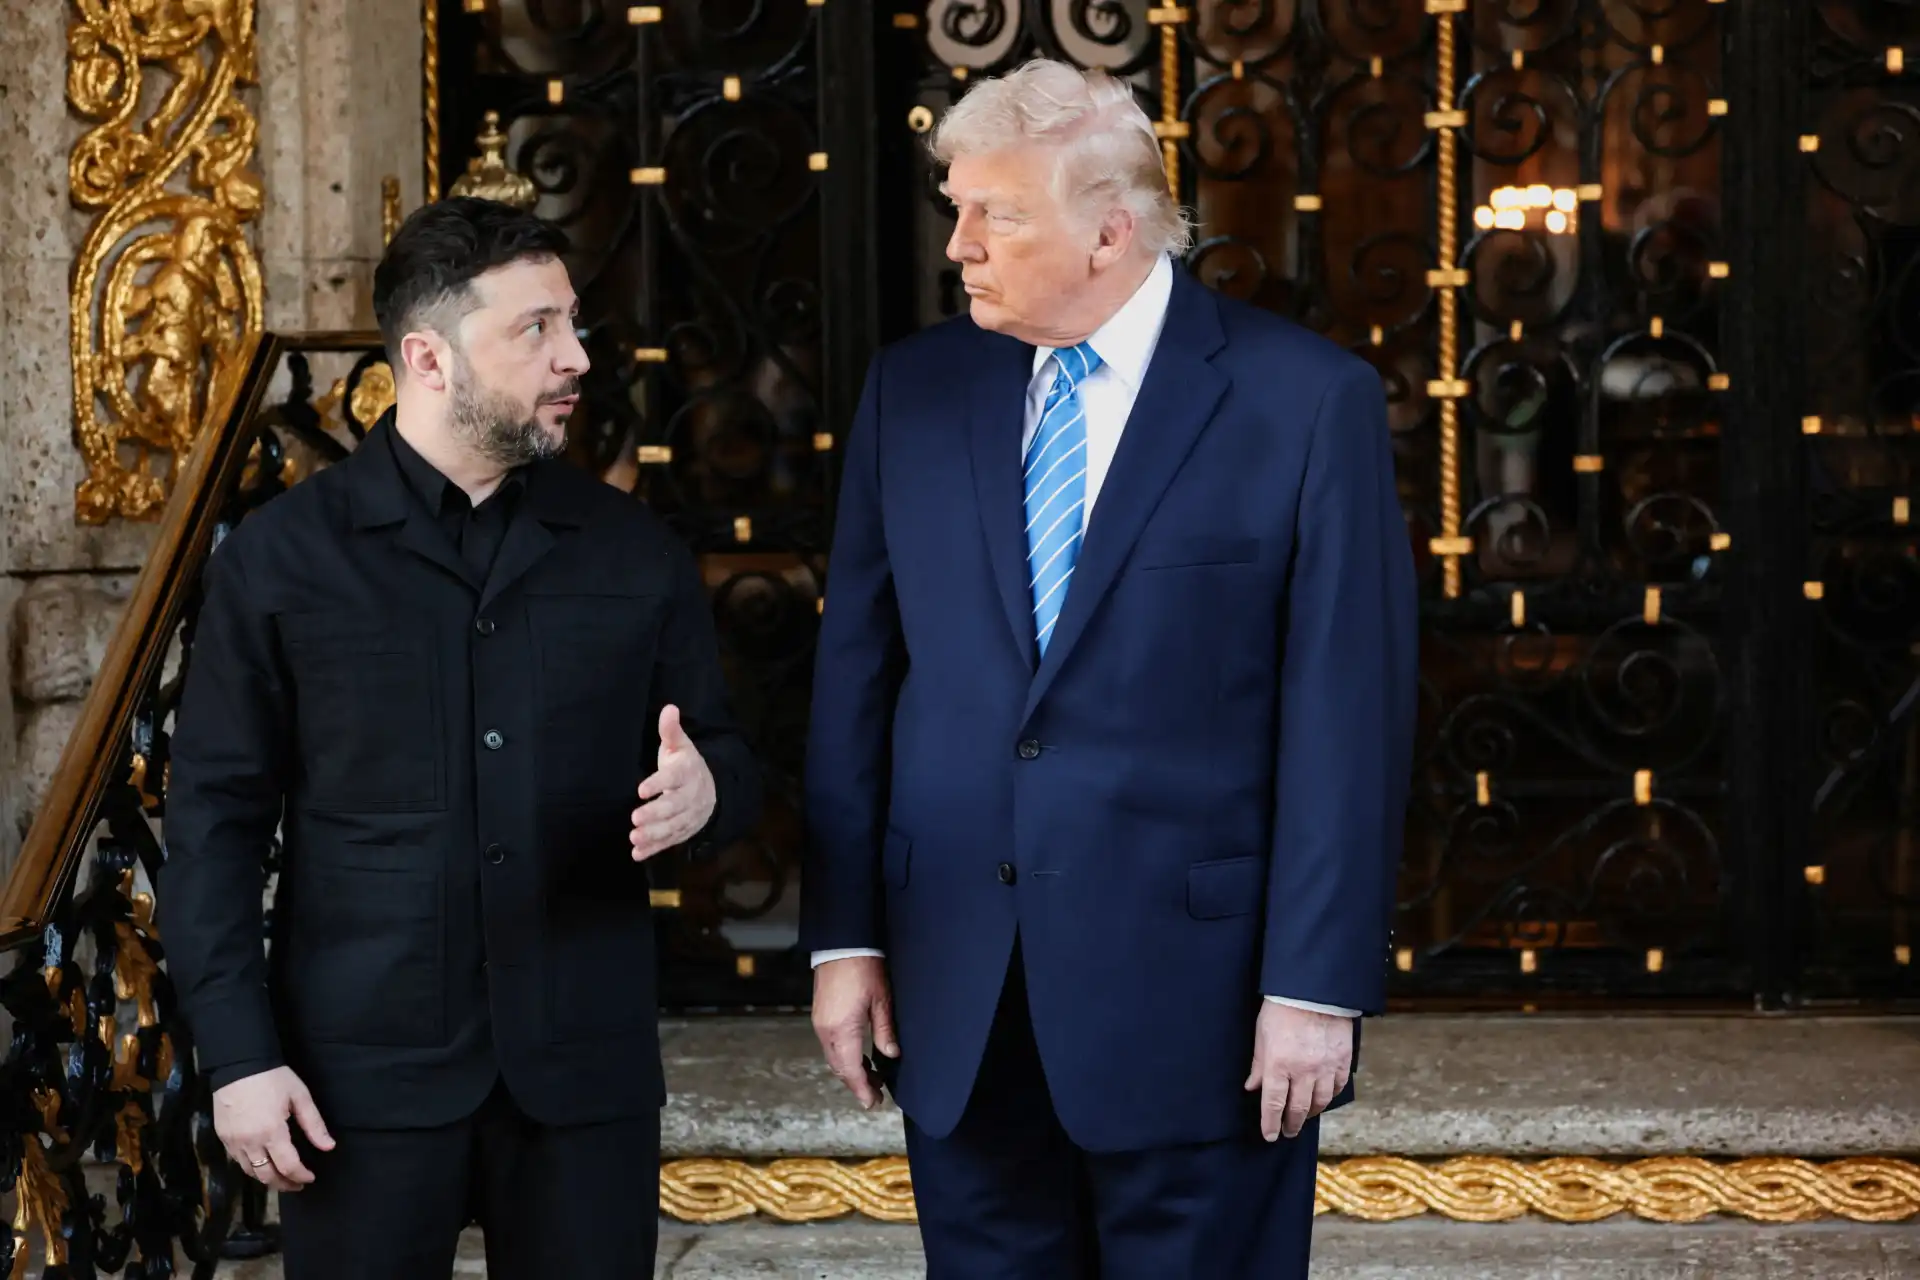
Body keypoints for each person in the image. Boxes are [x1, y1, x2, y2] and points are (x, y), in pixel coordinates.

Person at [801, 59, 1418, 1278]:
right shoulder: (910, 393)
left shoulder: (1305, 401)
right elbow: (857, 676)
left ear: (1109, 229)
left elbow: (1349, 713)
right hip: (959, 988)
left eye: (998, 215)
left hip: (1205, 1003)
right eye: (958, 208)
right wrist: (843, 937)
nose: (961, 244)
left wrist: (1316, 982)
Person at [161, 197, 760, 1279]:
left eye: (572, 322)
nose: (576, 356)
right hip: (356, 1081)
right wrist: (240, 1056)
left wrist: (706, 793)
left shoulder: (634, 551)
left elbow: (729, 755)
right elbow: (214, 825)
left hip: (585, 1076)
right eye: (535, 329)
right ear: (428, 358)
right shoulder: (282, 560)